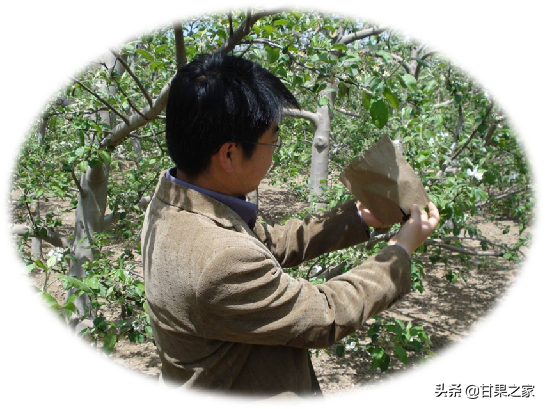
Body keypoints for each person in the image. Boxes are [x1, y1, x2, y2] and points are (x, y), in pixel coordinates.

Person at [141, 52, 439, 398]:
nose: (275, 151)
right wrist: (399, 252)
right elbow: (326, 314)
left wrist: (355, 218)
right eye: (272, 139)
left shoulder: (172, 203)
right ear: (229, 155)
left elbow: (265, 241)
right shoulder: (220, 262)